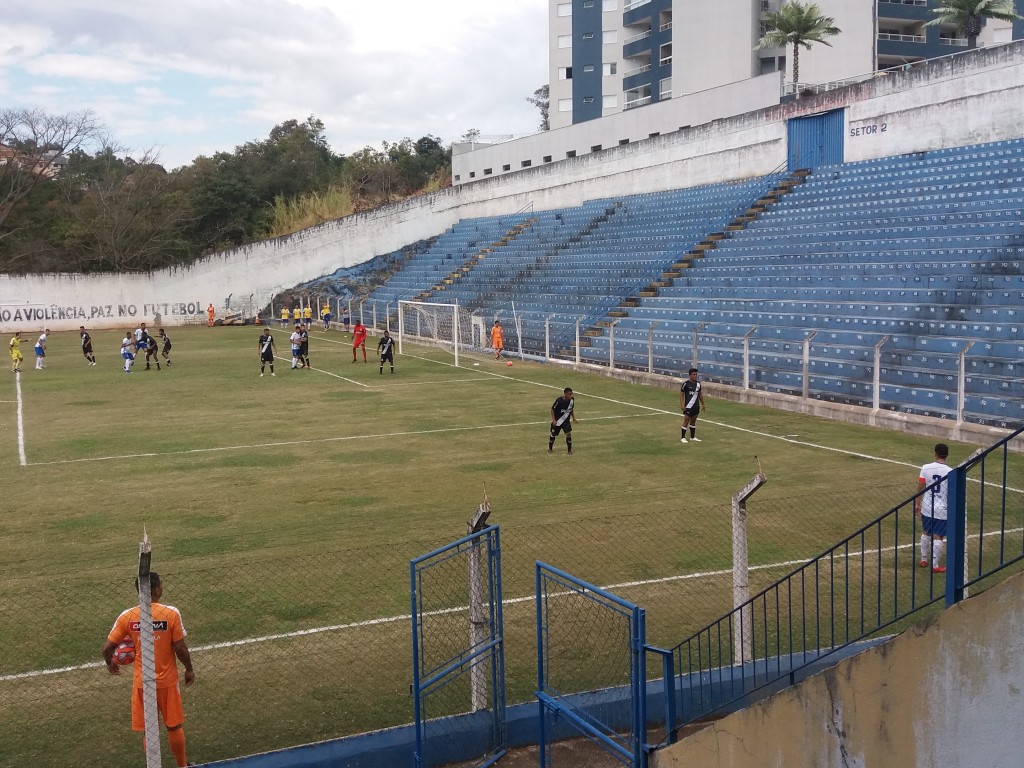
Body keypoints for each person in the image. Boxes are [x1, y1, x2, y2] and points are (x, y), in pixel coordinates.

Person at [102, 572, 195, 768]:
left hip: (142, 683)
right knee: (174, 725)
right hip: (167, 683)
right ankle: (182, 765)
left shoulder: (127, 616)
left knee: (149, 730)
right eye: (160, 585)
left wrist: (110, 662)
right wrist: (189, 669)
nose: (162, 587)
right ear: (155, 590)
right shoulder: (170, 614)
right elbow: (179, 647)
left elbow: (107, 648)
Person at [916, 443, 953, 574]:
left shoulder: (926, 468)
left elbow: (921, 485)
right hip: (942, 508)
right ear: (946, 455)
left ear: (935, 453)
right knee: (939, 536)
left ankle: (923, 559)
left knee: (926, 531)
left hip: (927, 505)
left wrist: (917, 502)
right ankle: (935, 565)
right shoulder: (950, 471)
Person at [679, 368, 706, 443]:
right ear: (690, 375)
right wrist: (682, 404)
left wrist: (703, 404)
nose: (695, 376)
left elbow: (700, 394)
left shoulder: (698, 384)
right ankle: (683, 437)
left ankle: (692, 437)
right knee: (686, 420)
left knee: (693, 421)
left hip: (696, 406)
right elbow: (681, 394)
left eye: (696, 374)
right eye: (694, 374)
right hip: (688, 406)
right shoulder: (686, 384)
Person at [548, 387, 577, 454]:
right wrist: (554, 420)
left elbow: (571, 409)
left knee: (568, 434)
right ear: (565, 394)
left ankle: (569, 451)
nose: (571, 395)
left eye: (571, 394)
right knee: (553, 434)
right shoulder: (559, 401)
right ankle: (550, 449)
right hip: (558, 421)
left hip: (566, 421)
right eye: (570, 394)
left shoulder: (572, 400)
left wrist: (574, 418)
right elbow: (552, 410)